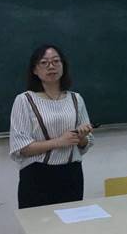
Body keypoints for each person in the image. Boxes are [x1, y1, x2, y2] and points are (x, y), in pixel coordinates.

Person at [9, 44, 94, 208]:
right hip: (37, 175)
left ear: (63, 66)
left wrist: (82, 138)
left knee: (71, 222)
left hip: (72, 173)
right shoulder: (24, 100)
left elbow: (85, 143)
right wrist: (59, 142)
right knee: (37, 223)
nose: (51, 66)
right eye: (44, 62)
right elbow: (22, 147)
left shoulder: (76, 99)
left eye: (56, 61)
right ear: (35, 70)